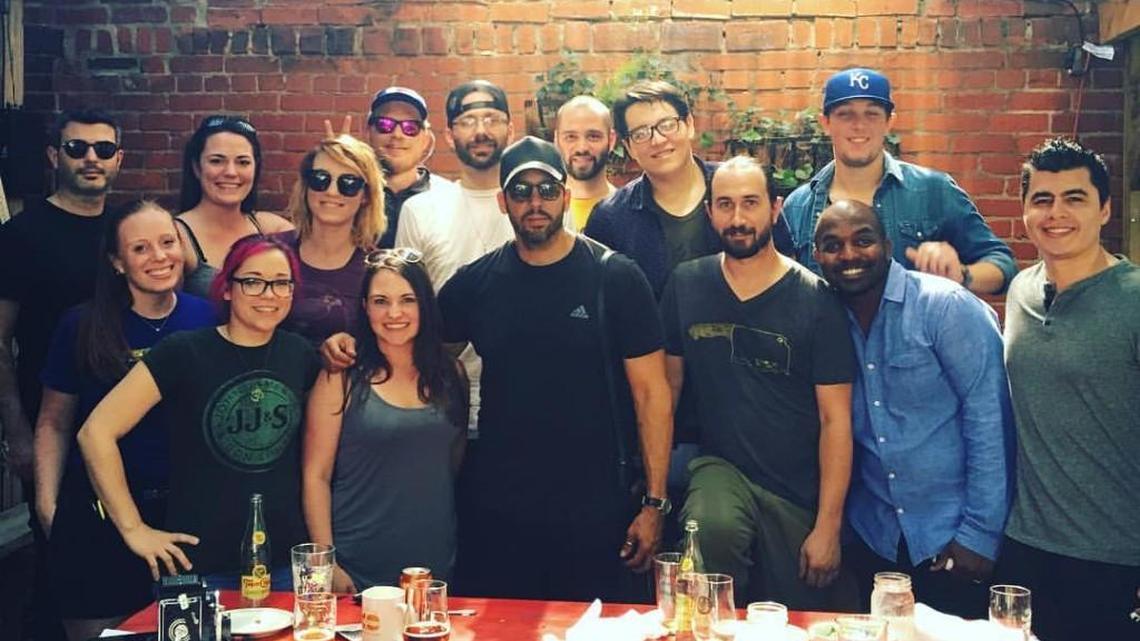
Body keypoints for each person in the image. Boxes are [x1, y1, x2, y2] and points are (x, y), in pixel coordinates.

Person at [438, 136, 673, 601]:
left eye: (546, 189)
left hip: (595, 502)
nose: (535, 203)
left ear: (565, 195)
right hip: (500, 501)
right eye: (521, 192)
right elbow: (428, 359)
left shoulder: (615, 278)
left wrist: (654, 503)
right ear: (503, 202)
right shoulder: (475, 283)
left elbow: (653, 394)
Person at [659, 156, 857, 610]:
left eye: (750, 203)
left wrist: (828, 526)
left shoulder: (816, 300)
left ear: (775, 208)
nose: (737, 218)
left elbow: (836, 420)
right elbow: (665, 394)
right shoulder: (686, 285)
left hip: (794, 493)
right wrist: (650, 496)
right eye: (724, 205)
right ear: (709, 213)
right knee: (711, 535)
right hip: (719, 468)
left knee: (799, 616)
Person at [77, 235, 319, 585]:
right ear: (227, 289)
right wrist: (134, 529)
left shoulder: (301, 355)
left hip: (285, 563)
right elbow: (96, 432)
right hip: (198, 564)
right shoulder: (184, 352)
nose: (269, 294)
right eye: (252, 282)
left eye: (281, 283)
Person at [813, 199, 1014, 619]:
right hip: (876, 541)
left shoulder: (945, 307)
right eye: (833, 245)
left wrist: (979, 535)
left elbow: (991, 421)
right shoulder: (824, 320)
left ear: (886, 245)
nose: (848, 255)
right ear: (817, 257)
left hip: (951, 540)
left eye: (862, 240)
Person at [33, 201, 215, 640]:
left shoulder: (207, 317)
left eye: (167, 242)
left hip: (180, 514)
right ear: (117, 262)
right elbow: (54, 422)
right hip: (96, 516)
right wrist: (48, 507)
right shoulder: (83, 324)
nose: (159, 257)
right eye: (140, 248)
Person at [998, 137, 1139, 641]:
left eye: (1074, 198)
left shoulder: (1134, 301)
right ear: (1025, 212)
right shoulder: (1020, 292)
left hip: (1115, 559)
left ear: (1104, 209)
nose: (1056, 213)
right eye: (1042, 199)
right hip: (1024, 548)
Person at [0, 108, 124, 641]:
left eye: (102, 149)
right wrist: (18, 431)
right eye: (77, 149)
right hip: (49, 415)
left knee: (113, 549)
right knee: (56, 550)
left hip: (122, 415)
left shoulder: (125, 231)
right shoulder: (21, 235)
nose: (90, 159)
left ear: (119, 159)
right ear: (55, 157)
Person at [303, 248, 467, 593]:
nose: (395, 313)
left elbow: (452, 461)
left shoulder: (452, 373)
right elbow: (315, 475)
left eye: (407, 299)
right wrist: (326, 560)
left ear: (424, 304)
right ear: (364, 307)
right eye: (380, 300)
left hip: (433, 564)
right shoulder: (341, 375)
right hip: (355, 563)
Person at [781, 68, 1017, 295]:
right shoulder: (799, 206)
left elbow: (1002, 265)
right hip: (828, 337)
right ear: (826, 123)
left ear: (889, 121)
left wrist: (962, 273)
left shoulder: (933, 191)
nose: (859, 125)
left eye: (872, 113)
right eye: (845, 114)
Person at [585, 80, 792, 298]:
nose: (657, 140)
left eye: (667, 124)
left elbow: (787, 271)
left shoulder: (743, 188)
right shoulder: (611, 218)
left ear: (690, 124)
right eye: (641, 133)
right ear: (628, 147)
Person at [395, 79, 516, 434]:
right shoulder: (421, 210)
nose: (481, 131)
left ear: (510, 128)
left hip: (525, 404)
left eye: (492, 118)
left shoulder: (539, 206)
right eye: (467, 121)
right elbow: (404, 310)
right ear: (449, 135)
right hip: (442, 404)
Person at [275, 134, 386, 344]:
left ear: (365, 195)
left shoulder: (378, 269)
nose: (332, 191)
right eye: (320, 179)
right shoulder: (269, 252)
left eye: (349, 183)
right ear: (306, 187)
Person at [176, 114, 293, 297]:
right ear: (196, 167)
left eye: (243, 162)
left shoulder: (272, 228)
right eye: (217, 161)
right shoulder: (176, 235)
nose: (231, 172)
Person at [365, 86, 451, 249]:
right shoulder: (348, 193)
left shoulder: (447, 199)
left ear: (425, 139)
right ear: (368, 132)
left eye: (410, 128)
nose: (397, 134)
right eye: (385, 125)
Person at [553, 95, 617, 232]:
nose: (582, 148)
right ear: (556, 140)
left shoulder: (627, 211)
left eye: (593, 136)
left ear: (611, 140)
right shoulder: (542, 214)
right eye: (571, 137)